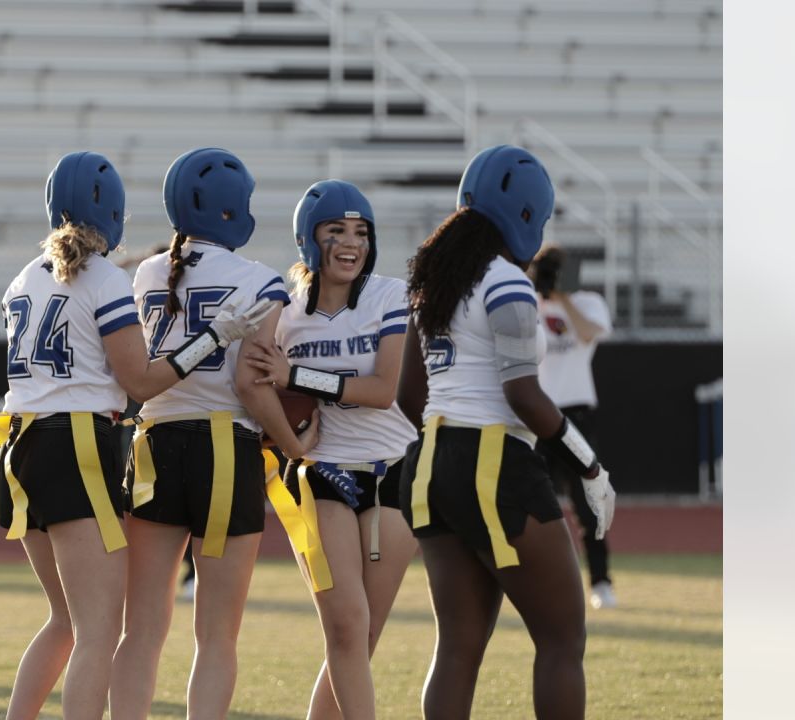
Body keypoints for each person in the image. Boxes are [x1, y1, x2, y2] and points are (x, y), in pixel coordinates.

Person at [0, 151, 275, 720]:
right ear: (110, 211)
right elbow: (140, 379)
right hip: (75, 444)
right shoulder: (104, 278)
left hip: (19, 445)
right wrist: (212, 337)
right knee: (97, 629)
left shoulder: (25, 277)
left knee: (66, 620)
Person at [395, 145, 617, 719]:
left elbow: (408, 397)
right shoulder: (506, 284)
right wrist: (589, 466)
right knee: (562, 640)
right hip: (492, 459)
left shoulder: (435, 282)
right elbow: (524, 394)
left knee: (458, 648)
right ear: (526, 214)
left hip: (430, 461)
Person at [109, 147, 319, 719]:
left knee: (141, 631)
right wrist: (295, 445)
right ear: (234, 211)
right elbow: (255, 387)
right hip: (226, 449)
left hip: (153, 445)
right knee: (217, 636)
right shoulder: (260, 281)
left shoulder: (150, 272)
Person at [242, 179, 420, 720]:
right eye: (336, 230)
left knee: (360, 639)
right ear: (307, 239)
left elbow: (383, 390)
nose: (352, 242)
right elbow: (251, 385)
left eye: (361, 231)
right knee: (344, 627)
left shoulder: (390, 295)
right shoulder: (284, 313)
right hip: (324, 474)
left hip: (394, 471)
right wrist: (290, 440)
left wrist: (297, 374)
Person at [529, 245, 618, 610]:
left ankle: (600, 582)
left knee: (587, 504)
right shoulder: (527, 303)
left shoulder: (588, 302)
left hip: (576, 414)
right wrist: (539, 293)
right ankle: (537, 584)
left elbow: (587, 333)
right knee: (533, 502)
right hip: (536, 411)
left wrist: (563, 298)